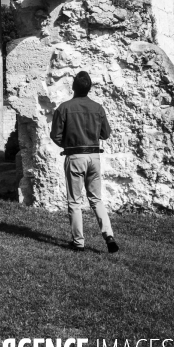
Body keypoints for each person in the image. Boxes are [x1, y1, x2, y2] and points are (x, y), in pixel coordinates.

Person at [50, 71, 119, 254]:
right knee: (96, 199)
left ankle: (78, 242)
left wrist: (70, 144)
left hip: (75, 157)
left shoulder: (63, 108)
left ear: (73, 87)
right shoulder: (98, 108)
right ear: (90, 88)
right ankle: (109, 235)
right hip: (94, 157)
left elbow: (55, 136)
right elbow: (105, 134)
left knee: (75, 201)